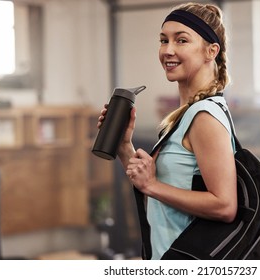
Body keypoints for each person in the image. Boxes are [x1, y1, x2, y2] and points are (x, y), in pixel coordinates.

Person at [98, 2, 237, 260]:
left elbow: (225, 205)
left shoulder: (205, 116)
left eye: (181, 40)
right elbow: (163, 194)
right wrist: (124, 146)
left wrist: (151, 185)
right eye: (163, 40)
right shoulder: (185, 115)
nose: (168, 50)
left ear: (211, 51)